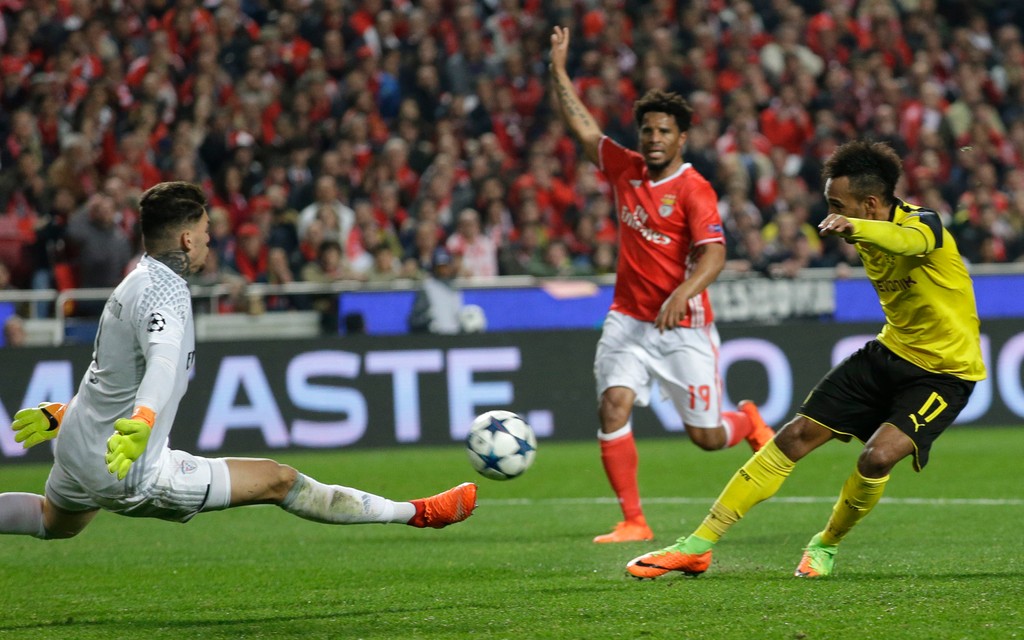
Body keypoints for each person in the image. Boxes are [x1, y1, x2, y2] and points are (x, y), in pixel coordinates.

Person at [0, 181, 476, 542]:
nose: (211, 240)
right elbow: (161, 363)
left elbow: (112, 375)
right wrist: (144, 419)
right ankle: (416, 513)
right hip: (127, 467)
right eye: (206, 231)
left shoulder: (133, 280)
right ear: (187, 240)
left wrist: (62, 413)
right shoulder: (166, 293)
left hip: (78, 443)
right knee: (279, 481)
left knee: (53, 521)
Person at [626, 140, 986, 579]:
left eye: (838, 205)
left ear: (870, 205)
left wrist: (856, 228)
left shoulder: (922, 223)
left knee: (876, 458)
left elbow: (909, 241)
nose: (829, 213)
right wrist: (853, 228)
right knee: (794, 436)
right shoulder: (861, 225)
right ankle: (697, 545)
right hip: (890, 350)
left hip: (945, 373)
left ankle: (825, 544)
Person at [548, 26, 774, 544]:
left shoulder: (695, 190)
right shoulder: (624, 169)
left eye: (664, 131)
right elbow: (584, 130)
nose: (653, 139)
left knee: (707, 437)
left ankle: (747, 422)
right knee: (613, 405)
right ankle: (634, 521)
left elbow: (715, 253)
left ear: (681, 138)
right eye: (647, 130)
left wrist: (681, 293)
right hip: (627, 319)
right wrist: (558, 70)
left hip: (683, 327)